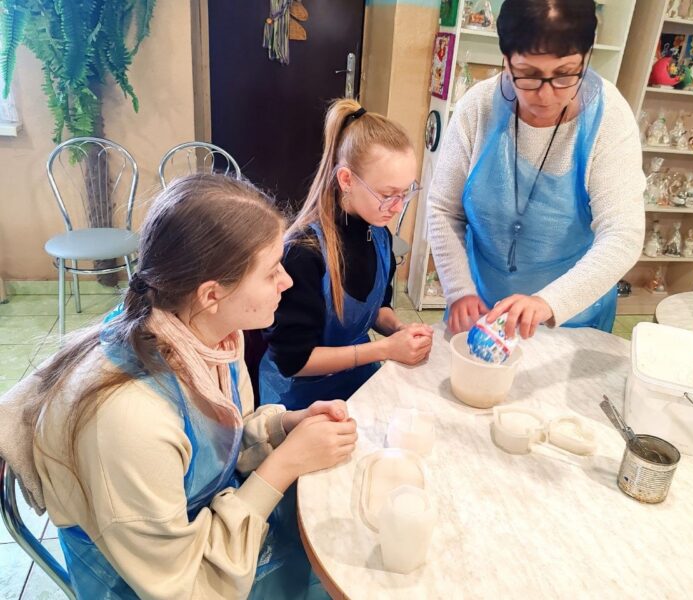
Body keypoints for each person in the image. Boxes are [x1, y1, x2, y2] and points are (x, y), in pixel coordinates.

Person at [24, 174, 356, 598]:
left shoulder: (216, 337)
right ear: (211, 294)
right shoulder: (129, 419)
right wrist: (284, 465)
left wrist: (283, 427)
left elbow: (220, 438)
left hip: (207, 527)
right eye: (272, 271)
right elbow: (184, 586)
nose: (287, 282)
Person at [427, 0, 645, 339]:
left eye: (564, 75)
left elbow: (623, 235)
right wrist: (459, 290)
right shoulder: (479, 107)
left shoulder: (608, 118)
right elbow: (443, 209)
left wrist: (547, 302)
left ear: (586, 59)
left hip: (572, 318)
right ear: (506, 61)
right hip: (483, 311)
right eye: (528, 75)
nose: (545, 95)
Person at [259, 99, 433, 410]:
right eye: (388, 194)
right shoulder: (303, 254)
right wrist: (385, 350)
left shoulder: (378, 235)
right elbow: (294, 361)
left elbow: (376, 308)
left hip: (354, 374)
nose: (397, 207)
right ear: (346, 179)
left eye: (406, 193)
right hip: (299, 397)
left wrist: (399, 330)